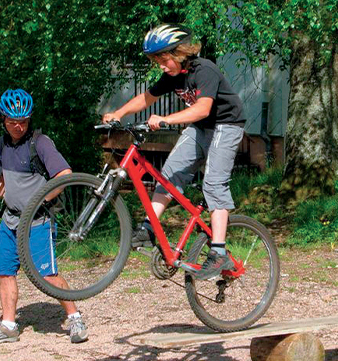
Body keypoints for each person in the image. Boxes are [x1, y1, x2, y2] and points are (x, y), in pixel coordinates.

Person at [102, 24, 246, 281]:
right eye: (156, 59)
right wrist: (118, 113)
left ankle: (219, 250)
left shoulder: (205, 70)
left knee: (213, 183)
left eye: (163, 58)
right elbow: (147, 98)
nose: (160, 65)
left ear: (180, 53)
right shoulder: (172, 75)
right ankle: (149, 227)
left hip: (226, 125)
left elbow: (202, 109)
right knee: (168, 176)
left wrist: (167, 119)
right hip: (202, 127)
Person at [0, 88, 88, 345]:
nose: (18, 126)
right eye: (12, 121)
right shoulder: (2, 144)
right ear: (3, 119)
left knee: (46, 274)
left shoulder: (40, 143)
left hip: (37, 220)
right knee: (4, 271)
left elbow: (64, 176)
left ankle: (74, 318)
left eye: (24, 121)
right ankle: (8, 325)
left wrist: (41, 200)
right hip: (10, 220)